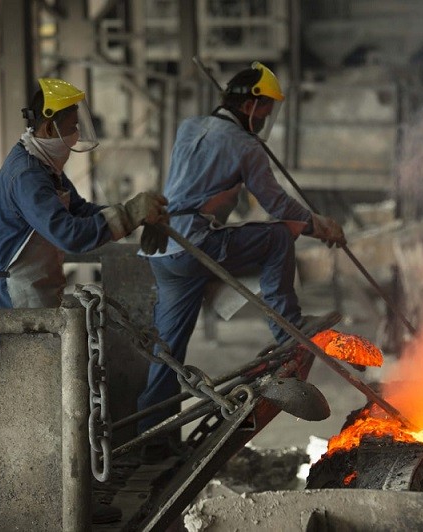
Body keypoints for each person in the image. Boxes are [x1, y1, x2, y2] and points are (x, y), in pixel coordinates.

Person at [135, 62, 346, 458]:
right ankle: (287, 329)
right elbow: (277, 204)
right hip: (197, 243)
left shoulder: (188, 126)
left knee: (168, 350)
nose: (267, 118)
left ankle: (153, 440)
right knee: (278, 237)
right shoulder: (245, 145)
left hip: (164, 248)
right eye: (266, 108)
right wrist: (320, 227)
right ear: (251, 104)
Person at [0, 77, 169, 345]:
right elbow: (70, 235)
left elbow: (80, 211)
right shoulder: (27, 175)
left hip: (33, 293)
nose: (76, 134)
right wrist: (128, 213)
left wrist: (135, 216)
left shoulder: (44, 167)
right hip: (11, 302)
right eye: (72, 127)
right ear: (47, 128)